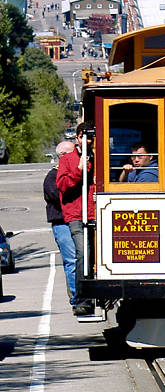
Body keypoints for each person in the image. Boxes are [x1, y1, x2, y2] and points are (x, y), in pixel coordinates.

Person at [56, 122, 96, 316]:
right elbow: (62, 186)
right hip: (77, 216)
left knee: (97, 255)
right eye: (84, 136)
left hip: (96, 213)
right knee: (82, 253)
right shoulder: (67, 159)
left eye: (91, 137)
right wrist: (79, 170)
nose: (87, 140)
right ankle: (82, 299)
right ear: (77, 138)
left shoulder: (100, 158)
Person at [43, 141, 78, 310]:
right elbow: (60, 197)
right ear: (63, 156)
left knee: (80, 259)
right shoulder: (52, 177)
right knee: (71, 259)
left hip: (76, 221)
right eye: (73, 153)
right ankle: (76, 297)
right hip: (62, 223)